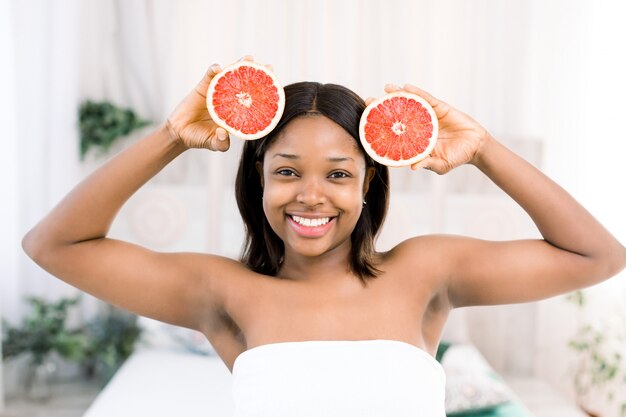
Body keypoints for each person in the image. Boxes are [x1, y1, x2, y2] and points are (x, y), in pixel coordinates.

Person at [22, 57, 626, 416]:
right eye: (287, 171)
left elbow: (597, 255)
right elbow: (54, 246)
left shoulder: (425, 272)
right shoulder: (221, 292)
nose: (311, 195)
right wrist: (173, 136)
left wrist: (484, 150)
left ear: (368, 184)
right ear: (258, 177)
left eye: (338, 174)